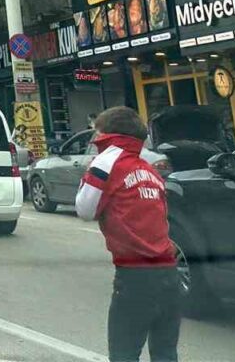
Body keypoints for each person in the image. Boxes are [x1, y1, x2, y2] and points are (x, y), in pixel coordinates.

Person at [76, 106, 179, 362]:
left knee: (124, 354)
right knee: (165, 352)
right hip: (169, 274)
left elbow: (85, 209)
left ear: (106, 135)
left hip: (135, 276)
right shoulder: (150, 171)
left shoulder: (106, 163)